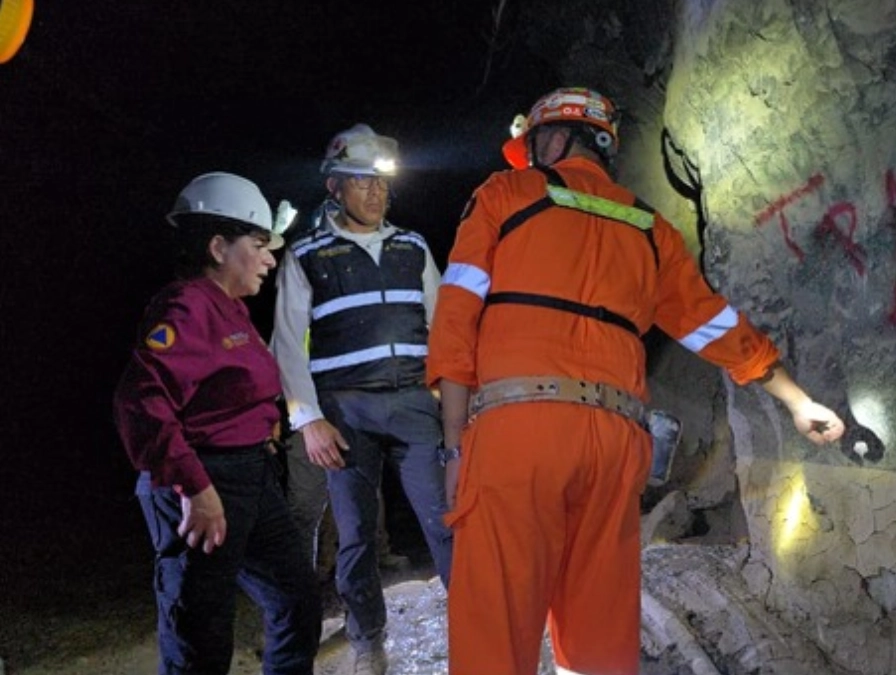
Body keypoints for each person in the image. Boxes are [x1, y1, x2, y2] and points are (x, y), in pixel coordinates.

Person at [427, 87, 847, 675]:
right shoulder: (651, 228)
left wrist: (451, 444)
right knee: (598, 627)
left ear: (555, 137)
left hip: (520, 432)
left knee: (494, 622)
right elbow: (716, 327)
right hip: (616, 440)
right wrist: (799, 402)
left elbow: (456, 315)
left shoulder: (507, 193)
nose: (532, 155)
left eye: (535, 143)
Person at [113, 171, 321, 675]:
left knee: (297, 600)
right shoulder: (185, 306)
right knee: (200, 636)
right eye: (259, 243)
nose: (271, 257)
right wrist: (195, 486)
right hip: (202, 483)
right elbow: (141, 401)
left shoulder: (232, 310)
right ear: (218, 246)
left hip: (250, 477)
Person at [271, 123, 453, 674]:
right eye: (361, 182)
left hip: (415, 403)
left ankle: (475, 623)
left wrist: (450, 403)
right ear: (334, 188)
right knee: (354, 536)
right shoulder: (307, 256)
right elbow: (286, 344)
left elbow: (443, 329)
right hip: (345, 412)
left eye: (382, 184)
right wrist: (307, 419)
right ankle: (367, 639)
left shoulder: (412, 247)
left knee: (447, 521)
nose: (375, 194)